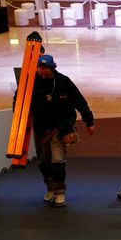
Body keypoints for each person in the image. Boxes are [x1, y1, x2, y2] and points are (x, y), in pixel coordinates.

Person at [29, 54, 95, 207]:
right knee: (43, 162)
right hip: (40, 128)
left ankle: (59, 192)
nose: (42, 72)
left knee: (57, 160)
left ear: (52, 68)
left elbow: (79, 101)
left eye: (45, 69)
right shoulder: (31, 82)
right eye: (40, 68)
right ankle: (50, 188)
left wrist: (89, 121)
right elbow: (19, 99)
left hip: (59, 128)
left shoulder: (63, 82)